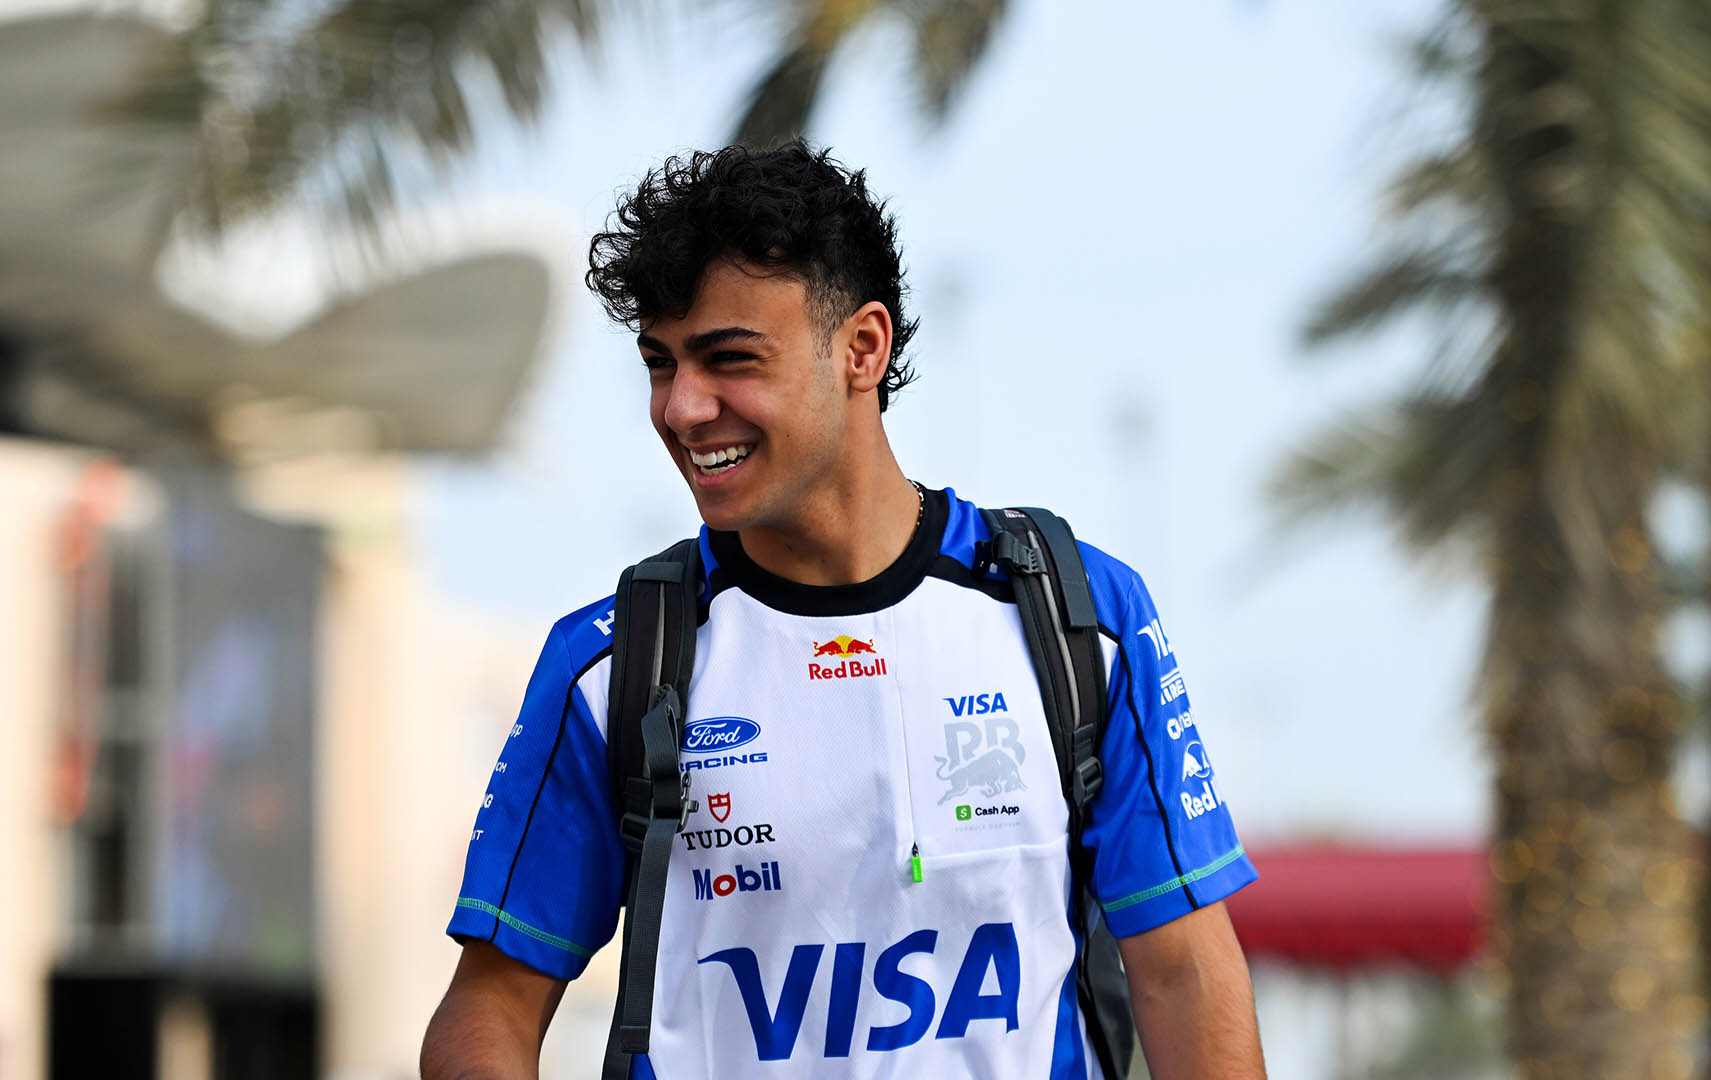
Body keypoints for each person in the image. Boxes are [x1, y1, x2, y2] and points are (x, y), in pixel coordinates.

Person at [420, 142, 1265, 1079]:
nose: (682, 408)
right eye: (660, 364)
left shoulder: (1078, 619)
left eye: (729, 358)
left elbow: (1185, 973)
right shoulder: (614, 664)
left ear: (863, 349)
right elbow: (486, 1011)